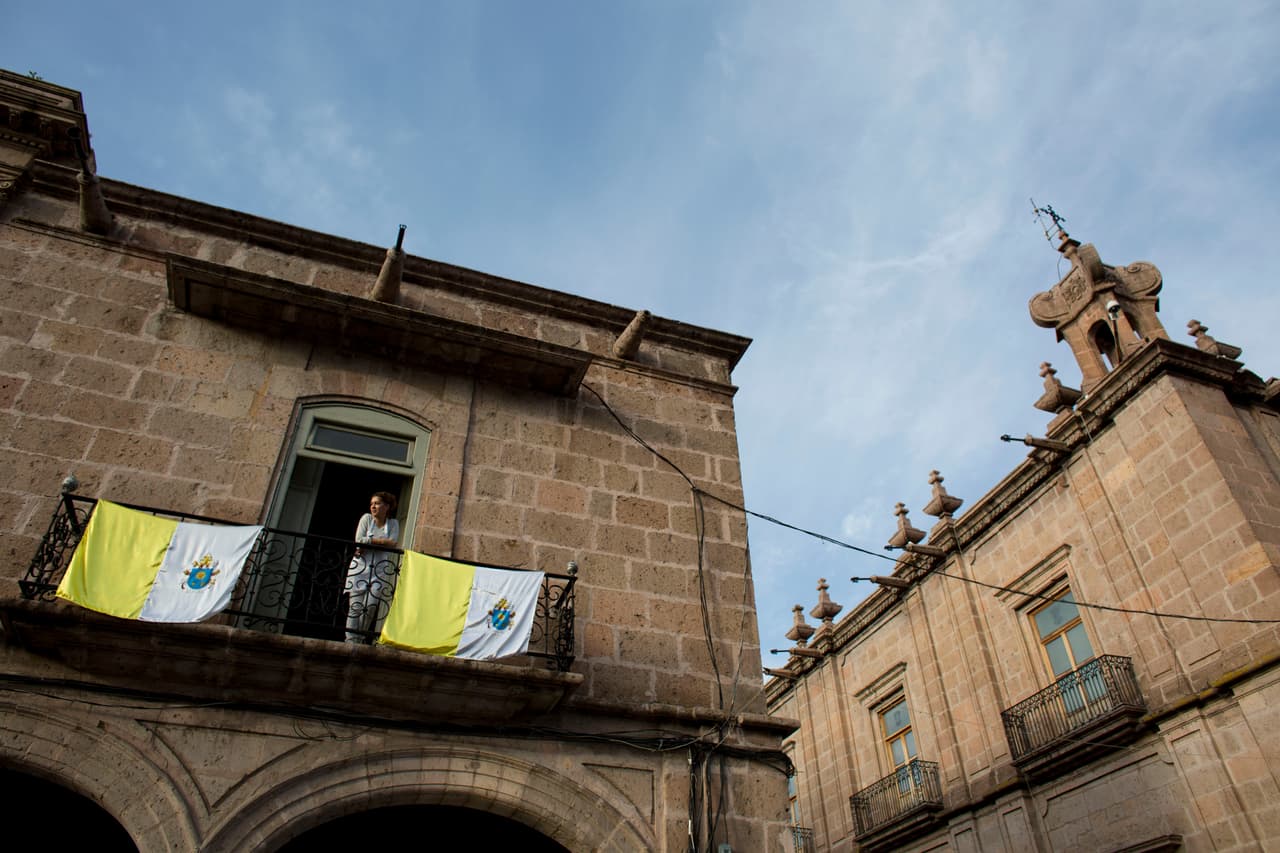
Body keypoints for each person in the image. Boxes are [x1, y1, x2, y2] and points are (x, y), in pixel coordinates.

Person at [346, 491, 400, 642]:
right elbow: (359, 540)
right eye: (371, 504)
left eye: (377, 503)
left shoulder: (393, 524)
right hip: (360, 568)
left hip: (379, 570)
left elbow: (393, 543)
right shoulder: (366, 519)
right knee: (355, 607)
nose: (373, 506)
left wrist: (369, 541)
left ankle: (360, 638)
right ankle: (350, 640)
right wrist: (382, 542)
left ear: (386, 506)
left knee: (370, 607)